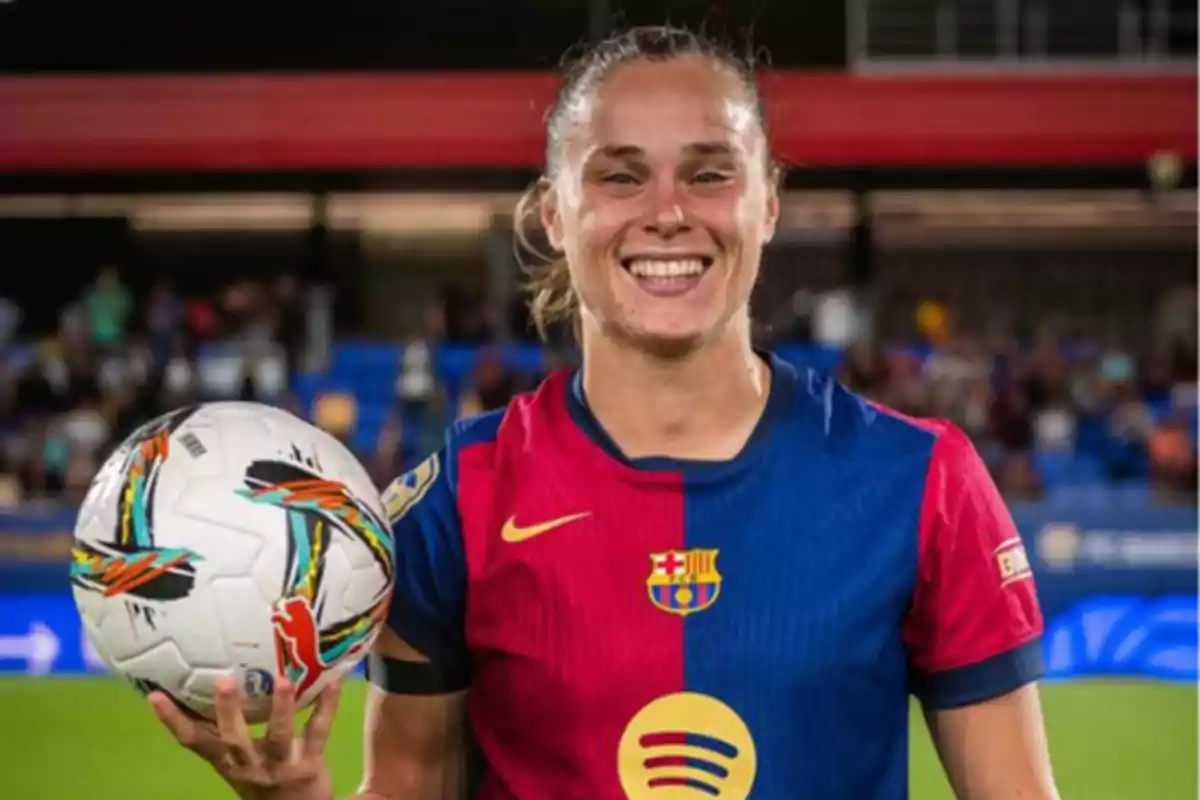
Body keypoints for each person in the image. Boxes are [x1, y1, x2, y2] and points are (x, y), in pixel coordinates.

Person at [148, 25, 1059, 800]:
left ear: (769, 200)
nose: (667, 213)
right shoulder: (453, 503)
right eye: (621, 177)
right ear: (555, 211)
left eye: (709, 174)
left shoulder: (920, 483)